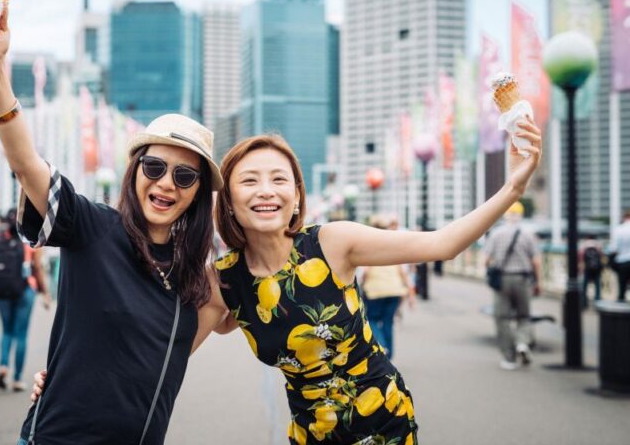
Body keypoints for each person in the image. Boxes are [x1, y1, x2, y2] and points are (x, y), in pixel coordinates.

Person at [0, 0, 227, 445]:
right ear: (135, 170)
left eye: (185, 176)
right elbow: (27, 164)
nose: (166, 184)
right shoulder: (94, 227)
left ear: (198, 194)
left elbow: (268, 281)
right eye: (155, 167)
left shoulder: (196, 282)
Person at [211, 124, 540, 443]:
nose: (266, 190)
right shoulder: (225, 278)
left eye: (279, 179)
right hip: (310, 434)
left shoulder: (331, 243)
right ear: (228, 199)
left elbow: (443, 244)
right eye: (249, 180)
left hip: (383, 424)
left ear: (296, 195)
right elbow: (201, 333)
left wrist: (513, 188)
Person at [0, 209, 51, 392]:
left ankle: (3, 366)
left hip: (2, 289)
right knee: (21, 334)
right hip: (25, 289)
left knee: (6, 331)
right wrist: (45, 293)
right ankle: (17, 379)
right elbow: (37, 268)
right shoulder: (31, 239)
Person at [483, 201, 543, 370]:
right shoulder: (528, 234)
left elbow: (486, 260)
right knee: (524, 315)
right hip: (523, 279)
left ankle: (509, 357)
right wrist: (539, 282)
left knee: (502, 318)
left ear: (506, 214)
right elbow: (536, 262)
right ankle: (522, 343)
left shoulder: (496, 233)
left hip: (502, 280)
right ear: (521, 214)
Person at [361, 215, 415, 359]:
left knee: (371, 319)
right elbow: (403, 271)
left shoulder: (368, 247)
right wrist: (410, 292)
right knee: (388, 322)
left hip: (375, 291)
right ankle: (388, 355)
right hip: (394, 290)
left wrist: (362, 284)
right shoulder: (393, 247)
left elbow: (365, 271)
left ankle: (381, 346)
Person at [607, 209, 630, 302]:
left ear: (624, 217)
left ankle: (622, 312)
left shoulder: (619, 229)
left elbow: (613, 248)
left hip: (623, 261)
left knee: (622, 287)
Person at [579, 234, 604, 309]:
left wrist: (581, 267)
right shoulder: (598, 244)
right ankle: (597, 303)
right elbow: (601, 255)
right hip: (596, 268)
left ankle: (584, 303)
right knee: (597, 285)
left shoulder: (584, 244)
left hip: (587, 268)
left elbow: (581, 255)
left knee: (584, 286)